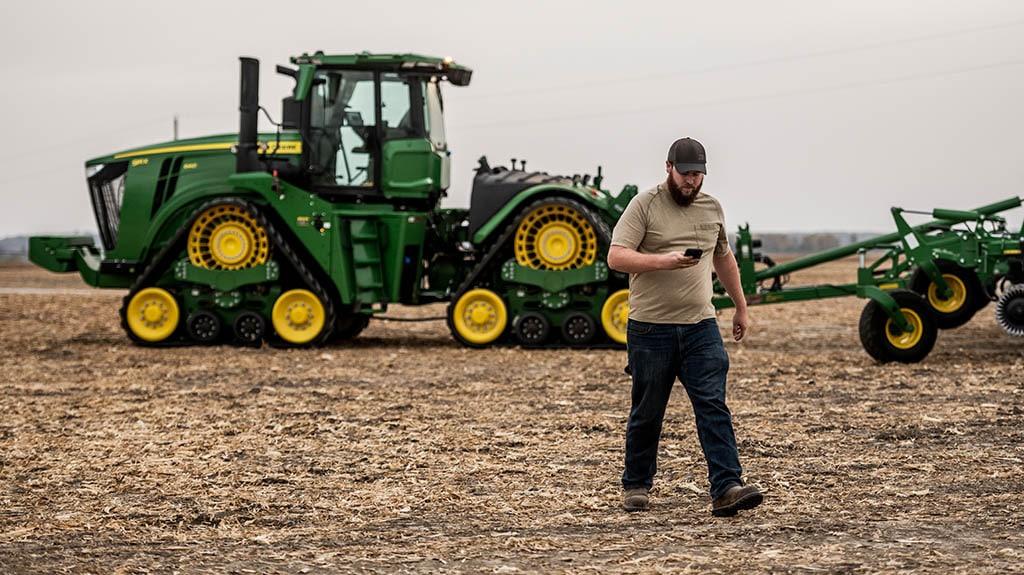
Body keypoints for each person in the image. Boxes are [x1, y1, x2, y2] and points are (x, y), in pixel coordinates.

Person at [607, 137, 763, 516]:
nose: (692, 182)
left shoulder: (712, 209)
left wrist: (740, 306)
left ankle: (727, 487)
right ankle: (636, 485)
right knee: (648, 410)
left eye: (698, 175)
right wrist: (664, 261)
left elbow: (723, 259)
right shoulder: (643, 205)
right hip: (650, 328)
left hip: (700, 327)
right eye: (686, 174)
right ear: (668, 168)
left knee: (713, 405)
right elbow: (616, 256)